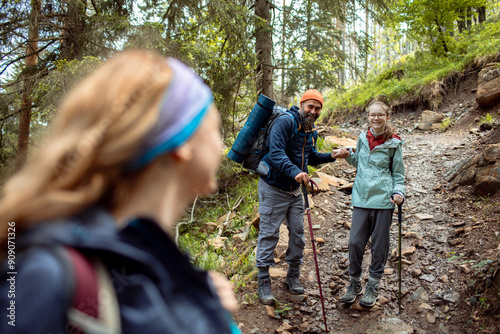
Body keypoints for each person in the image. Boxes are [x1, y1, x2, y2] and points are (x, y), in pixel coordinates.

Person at [0, 50, 240, 333]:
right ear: (182, 142)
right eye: (215, 128)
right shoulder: (43, 278)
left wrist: (197, 303)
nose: (221, 144)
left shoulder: (153, 263)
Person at [255, 89, 337, 305]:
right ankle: (263, 280)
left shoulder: (310, 130)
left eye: (318, 108)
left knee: (298, 234)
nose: (314, 111)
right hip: (274, 187)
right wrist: (295, 172)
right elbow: (276, 153)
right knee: (269, 233)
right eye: (310, 106)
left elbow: (311, 157)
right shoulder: (285, 122)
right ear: (301, 104)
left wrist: (332, 156)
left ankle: (292, 276)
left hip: (295, 190)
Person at [331, 101, 405, 307]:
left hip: (383, 199)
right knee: (355, 242)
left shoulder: (394, 143)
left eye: (380, 115)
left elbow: (398, 173)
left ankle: (373, 284)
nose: (376, 118)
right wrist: (348, 155)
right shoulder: (363, 138)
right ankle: (354, 283)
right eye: (372, 115)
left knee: (379, 245)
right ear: (368, 117)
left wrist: (399, 191)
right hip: (362, 197)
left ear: (387, 117)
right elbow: (358, 162)